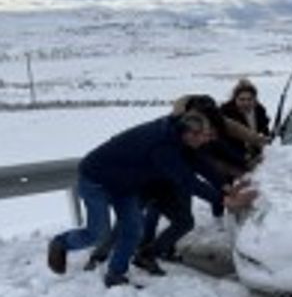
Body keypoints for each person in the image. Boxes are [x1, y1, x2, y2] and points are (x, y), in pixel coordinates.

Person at [47, 110, 253, 287]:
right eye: (203, 136)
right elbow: (186, 180)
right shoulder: (163, 146)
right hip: (96, 179)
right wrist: (222, 200)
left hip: (125, 184)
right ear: (190, 133)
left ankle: (116, 275)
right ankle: (61, 243)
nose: (205, 140)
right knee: (98, 231)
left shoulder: (179, 136)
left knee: (133, 230)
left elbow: (199, 163)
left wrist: (224, 187)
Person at [220, 78, 271, 162]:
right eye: (242, 99)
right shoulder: (226, 113)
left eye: (249, 99)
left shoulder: (260, 112)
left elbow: (265, 132)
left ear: (254, 99)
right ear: (235, 99)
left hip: (257, 157)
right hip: (232, 158)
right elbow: (224, 142)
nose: (246, 103)